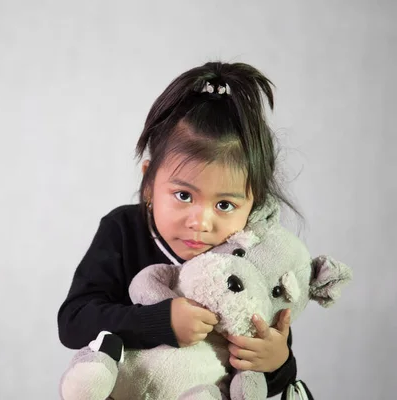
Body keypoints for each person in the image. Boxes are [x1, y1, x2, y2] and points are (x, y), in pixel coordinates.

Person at [57, 61, 299, 396]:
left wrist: (278, 361)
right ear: (148, 182)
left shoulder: (256, 252)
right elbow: (74, 321)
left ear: (252, 202)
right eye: (183, 195)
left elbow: (263, 377)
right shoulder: (123, 230)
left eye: (225, 205)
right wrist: (160, 322)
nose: (200, 222)